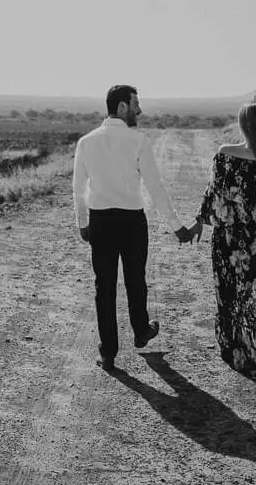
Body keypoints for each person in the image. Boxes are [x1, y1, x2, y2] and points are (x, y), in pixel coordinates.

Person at [74, 84, 195, 371]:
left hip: (100, 220)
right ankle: (141, 330)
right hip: (131, 221)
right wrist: (177, 226)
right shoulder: (138, 141)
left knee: (104, 286)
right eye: (135, 104)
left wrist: (83, 223)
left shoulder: (86, 142)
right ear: (122, 107)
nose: (139, 110)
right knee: (135, 279)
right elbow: (155, 187)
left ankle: (108, 353)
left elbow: (78, 189)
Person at [192, 101, 256, 381]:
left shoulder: (225, 154)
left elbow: (213, 194)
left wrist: (199, 221)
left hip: (230, 239)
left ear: (244, 126)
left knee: (231, 296)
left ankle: (240, 354)